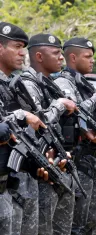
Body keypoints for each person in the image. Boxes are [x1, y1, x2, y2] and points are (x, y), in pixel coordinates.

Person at [17, 33, 78, 235]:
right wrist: (60, 105)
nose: (61, 58)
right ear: (40, 56)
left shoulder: (48, 83)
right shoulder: (27, 82)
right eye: (56, 53)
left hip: (58, 162)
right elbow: (39, 123)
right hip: (38, 170)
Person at [54, 37, 96, 235]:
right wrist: (95, 100)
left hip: (92, 157)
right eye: (88, 56)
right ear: (73, 57)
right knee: (75, 225)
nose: (92, 60)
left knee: (89, 223)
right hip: (75, 158)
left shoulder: (85, 84)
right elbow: (74, 111)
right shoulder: (63, 81)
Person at [0, 21, 46, 235]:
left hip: (10, 185)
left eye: (23, 48)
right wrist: (21, 116)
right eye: (17, 47)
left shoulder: (12, 86)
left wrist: (37, 163)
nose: (22, 53)